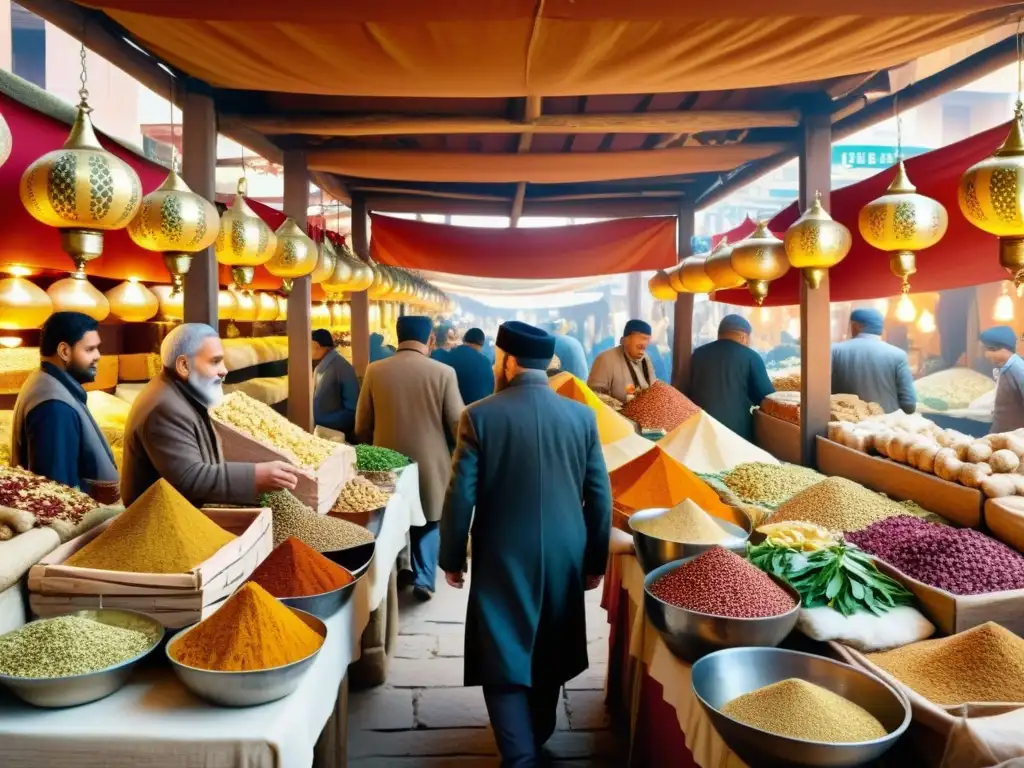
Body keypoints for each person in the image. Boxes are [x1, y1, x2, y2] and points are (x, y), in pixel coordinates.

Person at [440, 320, 611, 767]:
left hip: (502, 552)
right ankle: (538, 732)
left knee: (502, 647)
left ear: (509, 362)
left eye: (499, 358)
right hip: (565, 550)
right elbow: (599, 496)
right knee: (552, 639)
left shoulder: (479, 415)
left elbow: (460, 496)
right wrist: (595, 560)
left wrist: (451, 557)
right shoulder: (581, 416)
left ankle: (519, 757)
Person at [120, 323, 303, 506]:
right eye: (215, 361)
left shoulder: (182, 395)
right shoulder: (164, 409)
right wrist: (256, 476)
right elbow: (190, 479)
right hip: (155, 523)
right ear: (184, 365)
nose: (224, 370)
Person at [356, 316, 465, 600]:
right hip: (430, 462)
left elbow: (361, 426)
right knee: (428, 520)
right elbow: (458, 424)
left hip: (386, 460)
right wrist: (453, 452)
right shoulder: (444, 372)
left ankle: (397, 572)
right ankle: (424, 578)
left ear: (397, 336)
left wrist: (377, 446)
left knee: (390, 518)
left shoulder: (375, 370)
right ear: (430, 339)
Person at [11, 312, 118, 495]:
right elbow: (58, 492)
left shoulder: (47, 383)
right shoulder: (54, 406)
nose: (98, 356)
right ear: (64, 351)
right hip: (86, 522)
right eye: (89, 349)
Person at [687, 315, 775, 441]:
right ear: (743, 337)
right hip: (736, 432)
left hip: (701, 429)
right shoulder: (751, 357)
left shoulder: (698, 354)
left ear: (720, 335)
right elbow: (766, 397)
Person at [831, 308, 916, 414]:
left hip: (844, 425)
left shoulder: (834, 350)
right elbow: (909, 404)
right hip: (885, 426)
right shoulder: (898, 355)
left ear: (856, 325)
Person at [587, 319, 656, 402]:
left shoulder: (645, 358)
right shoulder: (605, 359)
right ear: (624, 340)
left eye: (647, 340)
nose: (644, 345)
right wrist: (618, 406)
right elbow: (593, 395)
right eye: (640, 339)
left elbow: (653, 387)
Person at [311, 328, 359, 442]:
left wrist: (323, 421)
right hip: (325, 430)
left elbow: (353, 408)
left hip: (336, 434)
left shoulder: (340, 367)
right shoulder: (323, 366)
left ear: (318, 346)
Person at [980, 325, 1024, 433]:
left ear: (1003, 348)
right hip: (1003, 430)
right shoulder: (1006, 367)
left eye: (990, 349)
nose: (986, 355)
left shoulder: (1017, 368)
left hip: (1014, 433)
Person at [440, 328, 495, 405]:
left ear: (464, 340)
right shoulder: (485, 362)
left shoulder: (448, 354)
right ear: (481, 345)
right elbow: (489, 391)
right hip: (471, 412)